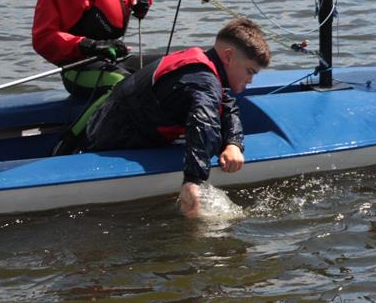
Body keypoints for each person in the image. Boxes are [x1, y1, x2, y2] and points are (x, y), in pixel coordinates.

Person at [83, 18, 271, 218]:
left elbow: (227, 105)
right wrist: (193, 180)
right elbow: (204, 123)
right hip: (115, 139)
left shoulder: (203, 65)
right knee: (209, 135)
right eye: (250, 72)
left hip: (107, 123)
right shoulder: (204, 81)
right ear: (229, 56)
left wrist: (233, 143)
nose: (250, 80)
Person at [31, 0, 152, 153]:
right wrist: (88, 45)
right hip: (78, 67)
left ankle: (163, 132)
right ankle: (69, 144)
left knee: (171, 66)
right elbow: (43, 38)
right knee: (121, 82)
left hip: (115, 57)